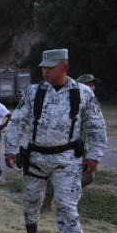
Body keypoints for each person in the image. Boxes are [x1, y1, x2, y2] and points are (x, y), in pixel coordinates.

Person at [4, 49, 106, 233]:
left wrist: (94, 155)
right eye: (43, 67)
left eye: (50, 67)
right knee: (31, 200)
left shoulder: (83, 93)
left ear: (65, 67)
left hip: (67, 161)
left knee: (67, 205)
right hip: (36, 159)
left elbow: (96, 126)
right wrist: (10, 148)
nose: (44, 71)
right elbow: (18, 120)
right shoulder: (33, 92)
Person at [42, 73, 99, 211]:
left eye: (93, 84)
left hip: (83, 148)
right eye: (89, 83)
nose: (93, 86)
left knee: (88, 177)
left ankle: (66, 196)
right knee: (57, 175)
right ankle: (46, 203)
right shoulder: (69, 101)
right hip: (67, 148)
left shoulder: (91, 102)